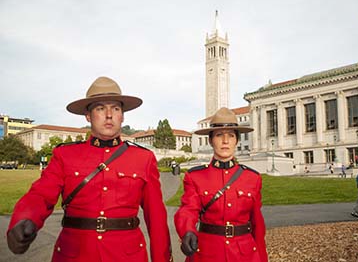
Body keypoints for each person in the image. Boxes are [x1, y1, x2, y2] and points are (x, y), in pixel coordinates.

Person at [7, 77, 173, 261]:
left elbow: (156, 218)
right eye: (100, 108)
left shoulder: (143, 158)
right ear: (88, 115)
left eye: (116, 108)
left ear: (122, 115)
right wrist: (25, 219)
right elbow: (41, 194)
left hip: (126, 255)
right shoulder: (66, 155)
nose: (109, 114)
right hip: (74, 254)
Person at [174, 107, 268, 262]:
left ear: (237, 140)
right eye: (219, 135)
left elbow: (258, 225)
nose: (225, 141)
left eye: (231, 136)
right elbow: (188, 210)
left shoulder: (252, 178)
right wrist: (187, 231)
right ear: (211, 140)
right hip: (208, 253)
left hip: (244, 254)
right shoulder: (195, 176)